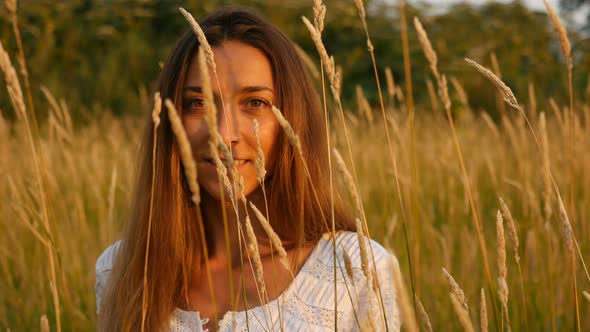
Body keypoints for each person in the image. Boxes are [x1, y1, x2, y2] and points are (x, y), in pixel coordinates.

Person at [95, 6, 400, 332]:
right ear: (171, 121)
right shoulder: (121, 269)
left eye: (254, 103)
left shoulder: (356, 269)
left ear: (292, 119)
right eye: (198, 103)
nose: (225, 134)